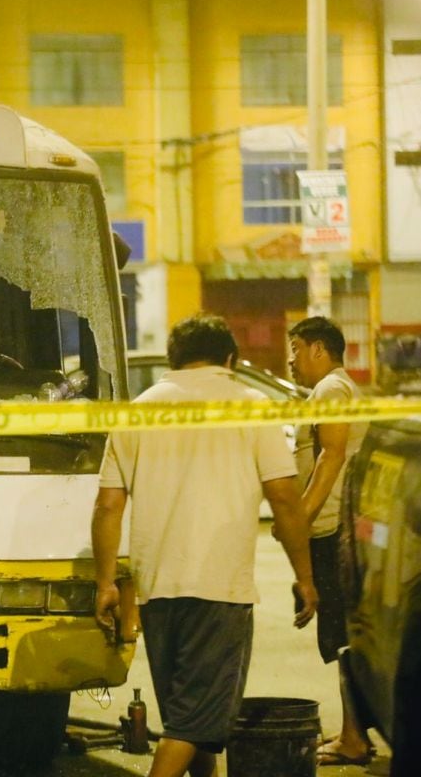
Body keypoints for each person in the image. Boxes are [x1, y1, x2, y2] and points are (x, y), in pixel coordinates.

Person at [92, 314, 318, 777]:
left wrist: (105, 583)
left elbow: (108, 505)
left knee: (190, 718)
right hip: (219, 589)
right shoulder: (251, 405)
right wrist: (306, 577)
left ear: (173, 359)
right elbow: (284, 499)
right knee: (193, 724)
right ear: (229, 359)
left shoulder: (137, 410)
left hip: (157, 591)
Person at [286, 316, 372, 767]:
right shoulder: (335, 389)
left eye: (296, 348)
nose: (291, 359)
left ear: (319, 348)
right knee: (343, 634)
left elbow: (331, 456)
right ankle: (353, 731)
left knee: (342, 637)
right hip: (338, 525)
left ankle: (354, 739)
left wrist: (299, 517)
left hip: (335, 527)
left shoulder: (331, 390)